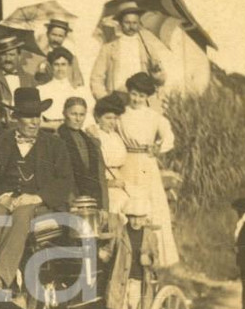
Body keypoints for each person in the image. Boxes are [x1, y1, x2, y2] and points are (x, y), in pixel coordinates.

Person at [0, 87, 74, 291]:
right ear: (16, 118)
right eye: (29, 117)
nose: (34, 122)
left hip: (41, 205)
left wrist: (37, 197)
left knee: (22, 213)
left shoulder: (55, 145)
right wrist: (2, 196)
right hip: (9, 199)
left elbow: (65, 181)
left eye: (37, 116)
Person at [119, 72, 179, 267]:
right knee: (127, 203)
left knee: (150, 205)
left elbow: (169, 137)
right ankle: (125, 254)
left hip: (146, 163)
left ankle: (152, 256)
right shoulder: (121, 114)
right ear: (129, 92)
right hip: (127, 162)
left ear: (147, 97)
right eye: (134, 94)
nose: (137, 99)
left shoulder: (153, 117)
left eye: (142, 96)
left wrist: (158, 147)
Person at [90, 1, 166, 105]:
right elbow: (96, 77)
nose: (131, 26)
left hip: (141, 100)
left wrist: (157, 74)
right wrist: (104, 100)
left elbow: (161, 80)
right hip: (117, 98)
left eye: (134, 23)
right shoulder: (109, 47)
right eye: (127, 22)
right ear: (120, 23)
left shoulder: (147, 47)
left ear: (139, 23)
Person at [57, 97, 108, 210]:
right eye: (73, 114)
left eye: (81, 115)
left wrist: (104, 208)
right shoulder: (56, 139)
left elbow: (100, 177)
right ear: (64, 113)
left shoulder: (90, 142)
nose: (78, 119)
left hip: (92, 201)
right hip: (69, 202)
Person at [87, 94, 129, 215]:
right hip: (103, 183)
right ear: (97, 117)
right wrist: (109, 183)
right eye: (108, 118)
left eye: (115, 118)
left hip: (119, 179)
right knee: (117, 202)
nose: (112, 122)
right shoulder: (93, 136)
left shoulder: (116, 136)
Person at [38, 47, 92, 130]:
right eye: (56, 64)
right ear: (51, 66)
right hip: (49, 130)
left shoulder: (79, 90)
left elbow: (88, 117)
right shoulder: (41, 90)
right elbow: (38, 119)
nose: (60, 69)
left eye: (63, 64)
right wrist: (51, 126)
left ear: (69, 66)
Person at [0, 36, 37, 111]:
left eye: (11, 55)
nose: (7, 59)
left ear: (19, 56)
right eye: (4, 55)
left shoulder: (30, 79)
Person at [34, 18, 85, 88]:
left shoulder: (71, 58)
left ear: (65, 37)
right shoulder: (39, 55)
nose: (56, 39)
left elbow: (78, 82)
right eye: (53, 34)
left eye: (60, 36)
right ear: (47, 34)